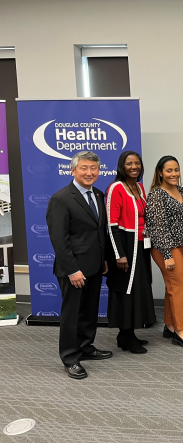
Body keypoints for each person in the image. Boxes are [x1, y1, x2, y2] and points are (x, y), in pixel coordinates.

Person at [46, 151, 111, 379]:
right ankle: (70, 358)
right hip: (73, 269)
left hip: (94, 266)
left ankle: (85, 347)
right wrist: (73, 270)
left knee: (89, 312)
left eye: (93, 168)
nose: (89, 172)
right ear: (73, 170)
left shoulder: (99, 195)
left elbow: (98, 231)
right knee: (72, 315)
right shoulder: (61, 198)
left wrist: (103, 259)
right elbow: (59, 240)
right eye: (84, 168)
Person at [105, 151, 156, 354]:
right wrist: (119, 254)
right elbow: (112, 224)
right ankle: (125, 336)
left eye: (137, 163)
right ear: (121, 166)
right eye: (129, 163)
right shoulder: (116, 188)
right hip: (125, 246)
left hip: (141, 246)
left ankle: (129, 334)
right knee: (126, 290)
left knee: (138, 290)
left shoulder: (140, 187)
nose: (134, 166)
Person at [146, 156, 183, 349]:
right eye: (169, 170)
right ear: (160, 172)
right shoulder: (156, 195)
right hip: (166, 247)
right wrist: (167, 254)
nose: (174, 174)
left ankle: (169, 325)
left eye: (176, 169)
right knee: (179, 286)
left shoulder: (182, 191)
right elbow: (157, 227)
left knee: (172, 286)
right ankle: (180, 331)